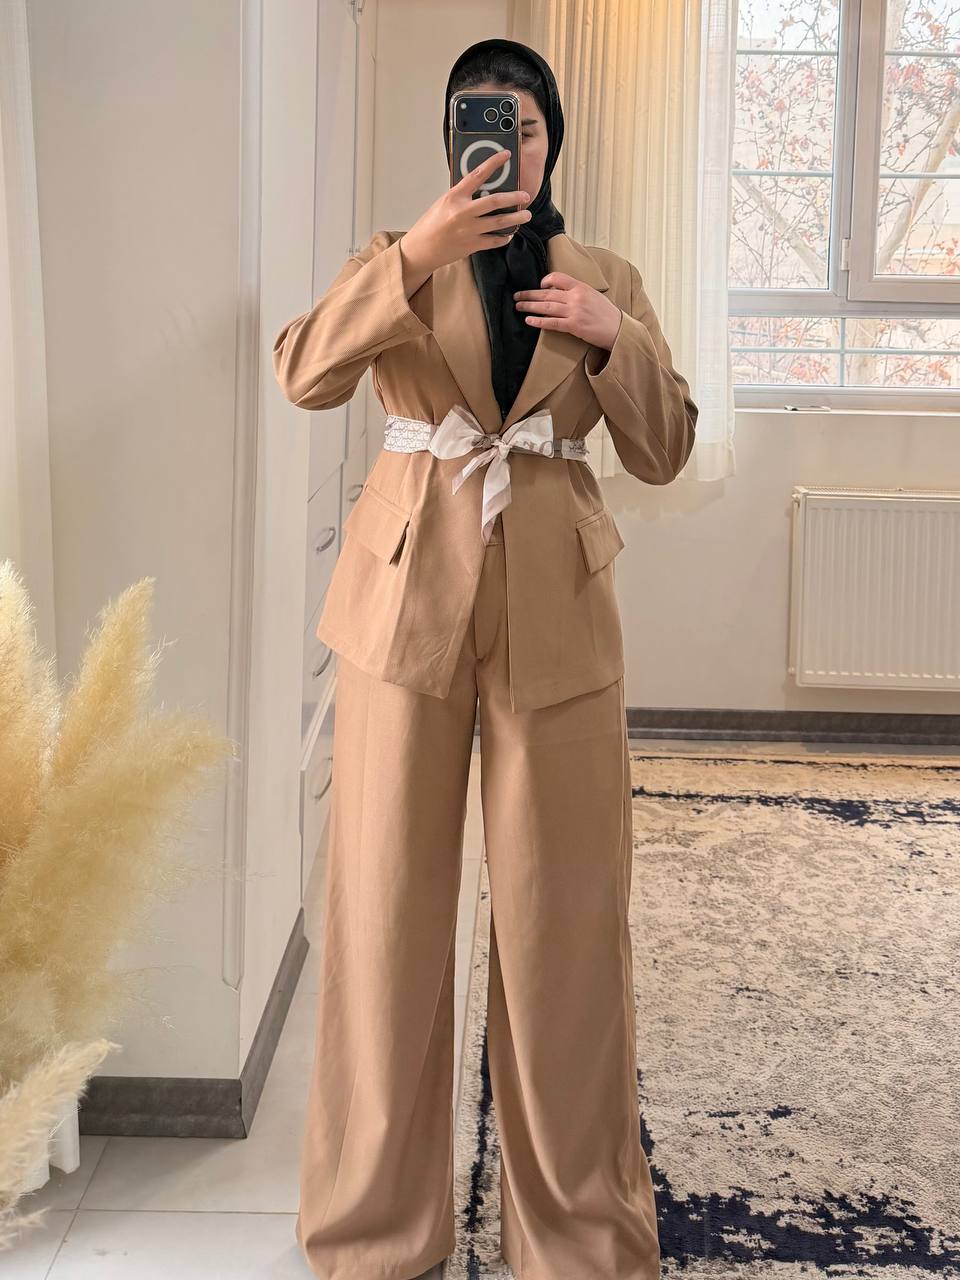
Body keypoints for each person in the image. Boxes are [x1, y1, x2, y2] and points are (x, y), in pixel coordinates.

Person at [273, 35, 697, 1280]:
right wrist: (415, 255)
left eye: (524, 123)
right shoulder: (393, 257)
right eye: (479, 120)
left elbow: (667, 448)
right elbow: (302, 371)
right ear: (454, 136)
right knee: (385, 911)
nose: (504, 145)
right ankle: (373, 1228)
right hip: (404, 605)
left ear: (552, 139)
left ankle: (576, 1231)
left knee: (567, 922)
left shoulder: (605, 276)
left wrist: (614, 338)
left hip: (559, 614)